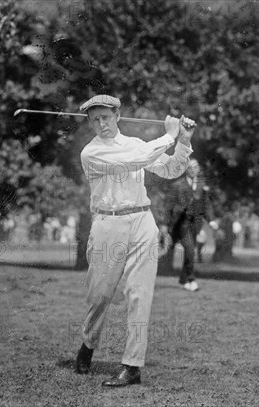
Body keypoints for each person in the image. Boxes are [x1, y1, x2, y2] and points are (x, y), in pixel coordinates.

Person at [74, 94, 194, 387]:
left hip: (142, 220)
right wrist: (169, 134)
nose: (101, 124)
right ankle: (88, 343)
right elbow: (135, 160)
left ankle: (132, 366)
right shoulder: (91, 153)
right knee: (100, 295)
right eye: (95, 119)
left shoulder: (137, 144)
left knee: (140, 294)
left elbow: (170, 169)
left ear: (117, 116)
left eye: (106, 117)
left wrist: (184, 141)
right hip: (107, 223)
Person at [163, 158, 217, 292]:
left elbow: (206, 205)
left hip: (196, 224)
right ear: (185, 169)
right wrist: (165, 224)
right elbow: (168, 206)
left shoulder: (202, 186)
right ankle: (191, 279)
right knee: (190, 249)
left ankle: (183, 278)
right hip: (181, 223)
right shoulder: (177, 185)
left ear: (198, 169)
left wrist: (211, 220)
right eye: (190, 167)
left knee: (190, 251)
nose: (193, 170)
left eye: (195, 167)